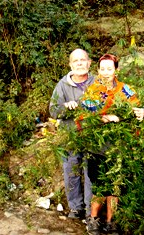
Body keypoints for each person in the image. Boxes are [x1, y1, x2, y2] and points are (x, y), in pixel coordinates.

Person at [80, 54, 144, 235]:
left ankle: (111, 221)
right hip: (97, 147)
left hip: (118, 147)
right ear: (98, 70)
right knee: (100, 185)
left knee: (115, 187)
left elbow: (138, 110)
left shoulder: (126, 90)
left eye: (110, 69)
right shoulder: (93, 90)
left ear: (117, 70)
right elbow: (84, 115)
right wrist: (103, 117)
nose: (106, 72)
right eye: (102, 69)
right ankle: (93, 220)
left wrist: (143, 113)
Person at [49, 48, 94, 220]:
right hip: (70, 137)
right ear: (70, 64)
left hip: (93, 137)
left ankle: (91, 212)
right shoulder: (62, 85)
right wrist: (65, 108)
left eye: (83, 60)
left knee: (91, 174)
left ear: (89, 63)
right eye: (76, 61)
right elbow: (53, 110)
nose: (80, 63)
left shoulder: (96, 83)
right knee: (71, 172)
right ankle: (76, 208)